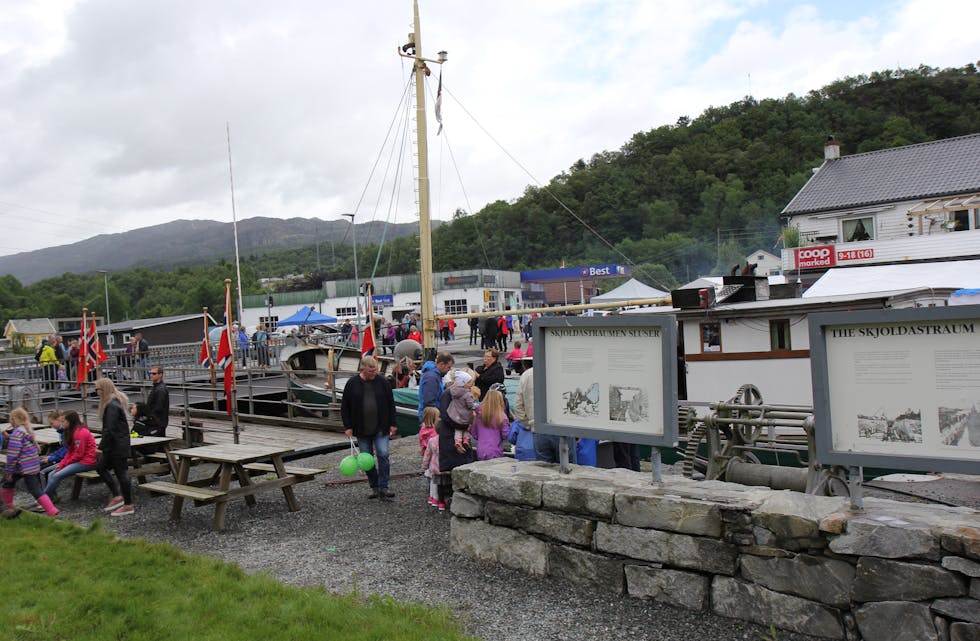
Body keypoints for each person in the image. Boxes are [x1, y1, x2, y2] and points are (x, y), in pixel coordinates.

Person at [341, 356, 398, 500]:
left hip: (381, 426)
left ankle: (384, 487)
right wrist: (347, 426)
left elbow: (391, 403)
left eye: (375, 370)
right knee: (366, 460)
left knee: (383, 454)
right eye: (371, 370)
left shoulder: (383, 382)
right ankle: (375, 486)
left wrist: (393, 423)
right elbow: (345, 407)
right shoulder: (352, 384)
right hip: (361, 429)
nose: (374, 373)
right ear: (363, 368)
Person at [514, 364, 577, 465]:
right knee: (568, 470)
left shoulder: (526, 375)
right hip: (563, 429)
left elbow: (518, 407)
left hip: (539, 430)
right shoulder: (565, 373)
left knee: (544, 472)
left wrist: (531, 424)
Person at [2, 408, 59, 517]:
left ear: (13, 419)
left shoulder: (16, 434)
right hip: (32, 467)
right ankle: (51, 510)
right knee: (35, 490)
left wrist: (9, 471)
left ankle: (8, 507)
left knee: (7, 484)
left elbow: (13, 455)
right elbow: (21, 445)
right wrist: (8, 437)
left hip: (20, 468)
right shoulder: (26, 432)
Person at [94, 377, 135, 516]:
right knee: (101, 467)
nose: (96, 392)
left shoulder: (111, 405)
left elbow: (109, 429)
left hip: (117, 445)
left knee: (121, 473)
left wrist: (101, 446)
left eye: (98, 389)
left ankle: (128, 504)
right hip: (114, 444)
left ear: (103, 389)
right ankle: (117, 496)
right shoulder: (113, 403)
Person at [43, 411, 98, 499]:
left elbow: (78, 454)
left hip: (87, 462)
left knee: (56, 475)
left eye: (64, 421)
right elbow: (70, 451)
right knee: (51, 474)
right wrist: (62, 464)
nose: (62, 424)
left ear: (70, 421)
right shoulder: (71, 432)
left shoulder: (80, 433)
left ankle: (42, 501)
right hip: (79, 461)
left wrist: (64, 464)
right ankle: (49, 499)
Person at [472, 388, 510, 461]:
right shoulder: (502, 416)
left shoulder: (478, 415)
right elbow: (505, 435)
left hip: (481, 450)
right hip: (496, 450)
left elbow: (474, 434)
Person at [131, 366, 169, 437]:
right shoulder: (157, 387)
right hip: (157, 421)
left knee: (159, 442)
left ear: (160, 375)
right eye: (150, 373)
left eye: (154, 373)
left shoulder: (160, 389)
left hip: (158, 422)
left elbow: (159, 407)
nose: (151, 375)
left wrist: (149, 417)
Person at [417, 351, 454, 422]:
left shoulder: (436, 376)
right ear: (442, 364)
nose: (449, 370)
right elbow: (429, 400)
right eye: (448, 367)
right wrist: (435, 418)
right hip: (431, 417)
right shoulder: (431, 377)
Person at [446, 370, 477, 452]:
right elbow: (470, 405)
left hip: (455, 415)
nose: (471, 384)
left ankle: (458, 441)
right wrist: (476, 407)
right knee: (466, 428)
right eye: (469, 382)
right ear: (464, 383)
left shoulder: (454, 392)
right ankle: (466, 440)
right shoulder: (467, 394)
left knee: (458, 430)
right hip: (465, 415)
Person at [418, 406, 441, 508]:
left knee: (429, 473)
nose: (440, 419)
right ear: (433, 419)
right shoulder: (433, 433)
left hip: (425, 455)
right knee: (434, 477)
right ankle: (436, 496)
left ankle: (431, 495)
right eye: (438, 417)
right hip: (434, 456)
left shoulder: (423, 430)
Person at [39, 411, 67, 485]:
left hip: (66, 460)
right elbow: (62, 449)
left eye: (52, 423)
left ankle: (46, 494)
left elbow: (66, 451)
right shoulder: (62, 432)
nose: (51, 426)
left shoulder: (66, 432)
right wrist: (50, 456)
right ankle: (49, 493)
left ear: (58, 420)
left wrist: (51, 458)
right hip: (63, 458)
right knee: (40, 462)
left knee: (42, 471)